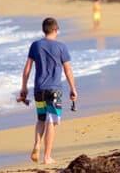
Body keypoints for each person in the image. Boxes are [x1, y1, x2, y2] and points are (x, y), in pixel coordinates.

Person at [20, 18, 77, 165]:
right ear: (56, 30)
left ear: (43, 30)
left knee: (40, 119)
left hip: (39, 90)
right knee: (51, 121)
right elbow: (68, 70)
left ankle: (37, 144)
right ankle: (47, 157)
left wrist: (24, 87)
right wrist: (73, 88)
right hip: (54, 91)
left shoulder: (35, 45)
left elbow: (27, 69)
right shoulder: (61, 47)